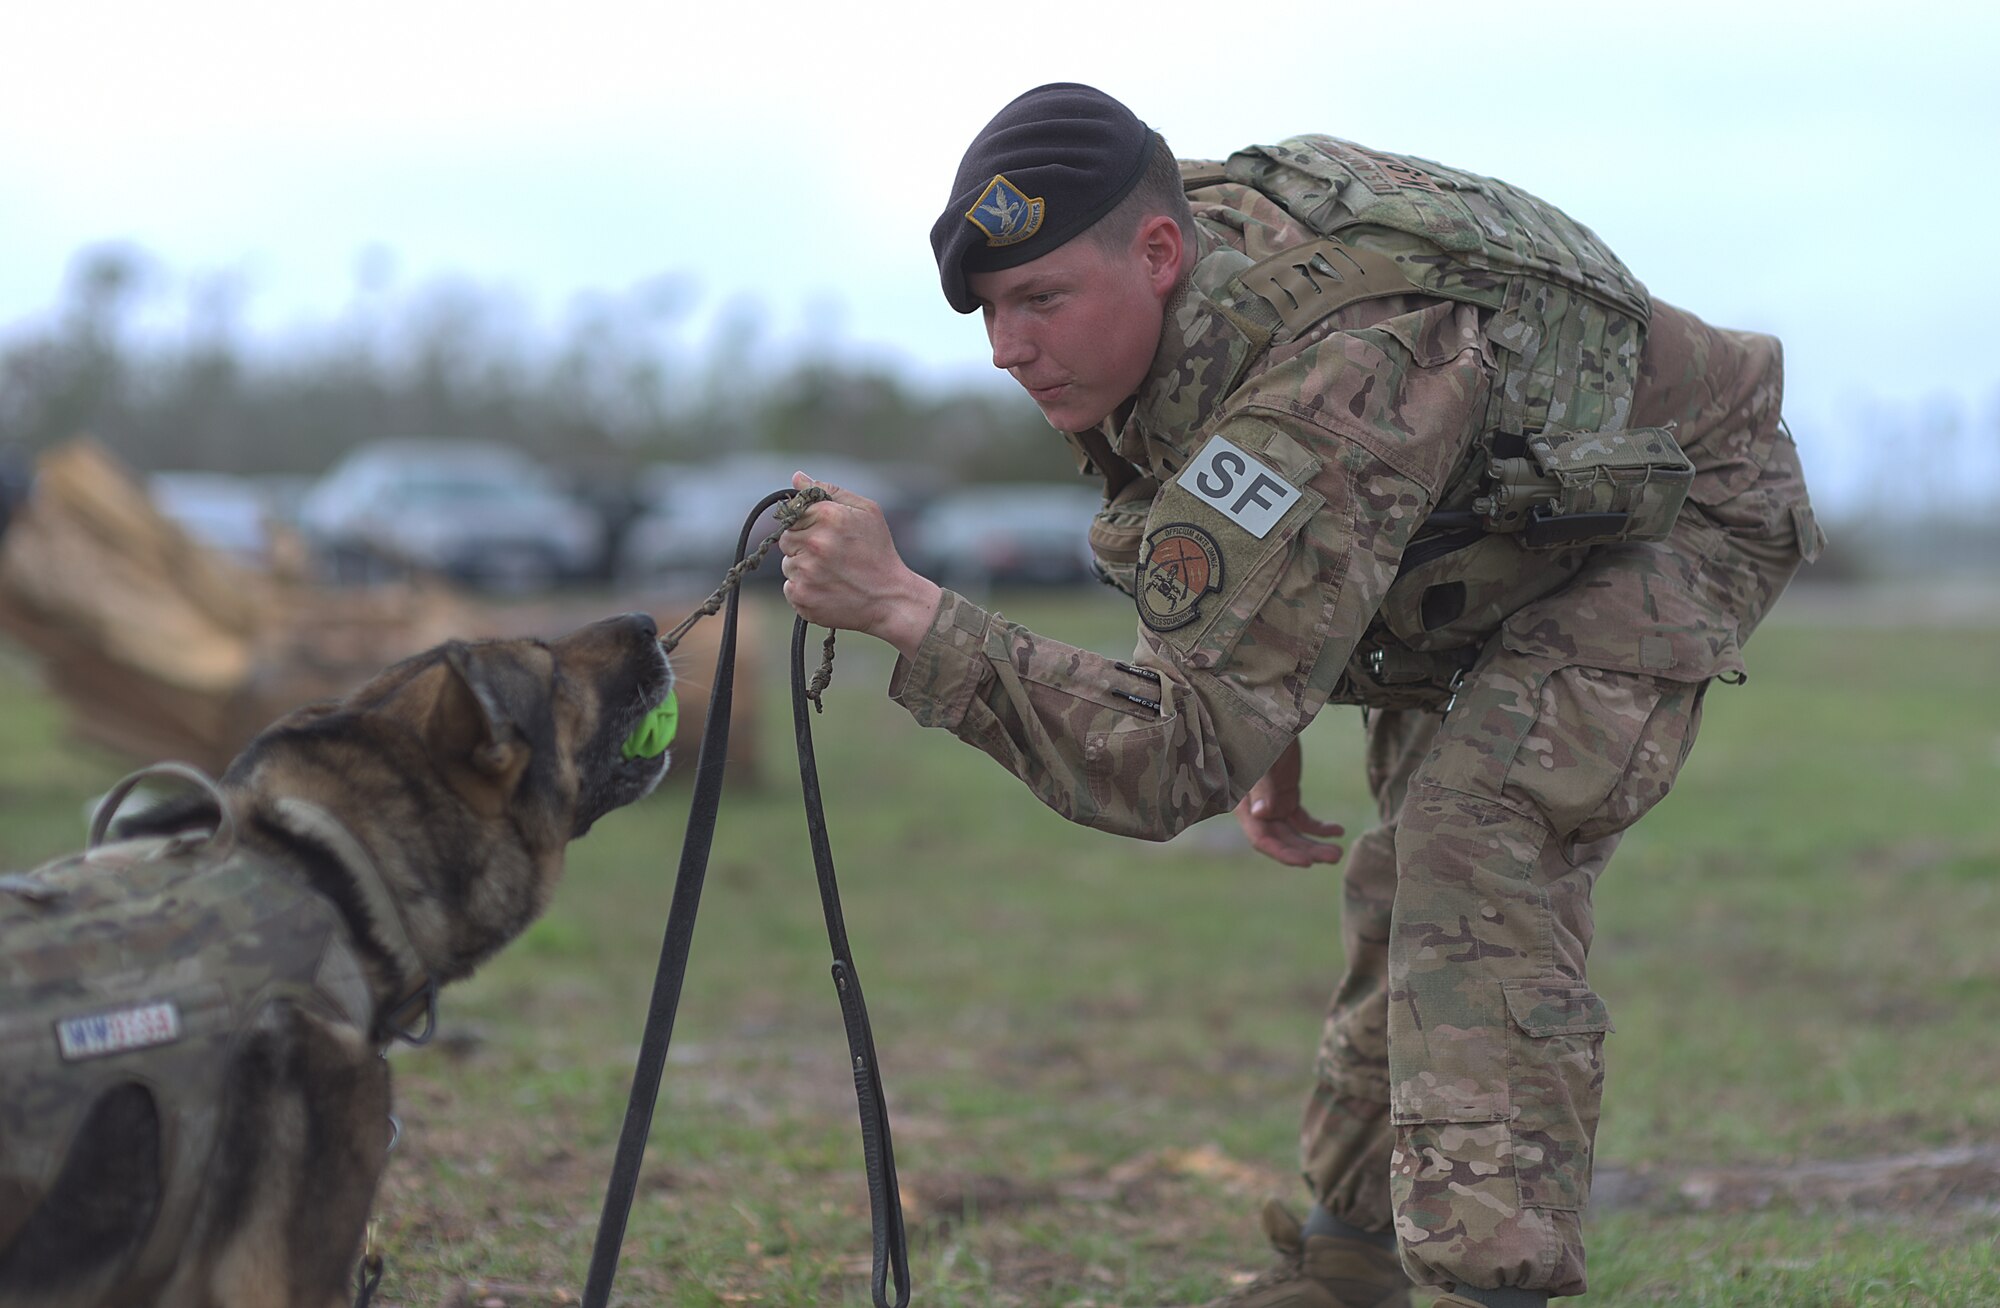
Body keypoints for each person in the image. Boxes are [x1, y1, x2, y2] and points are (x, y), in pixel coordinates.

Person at [778, 82, 1822, 1307]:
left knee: (1471, 843)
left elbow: (1169, 762)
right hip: (1476, 526)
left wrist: (911, 609)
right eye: (992, 310)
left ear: (1158, 253)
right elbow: (1212, 526)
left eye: (1040, 299)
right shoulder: (1188, 282)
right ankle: (1346, 1260)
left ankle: (1494, 1284)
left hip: (1671, 512)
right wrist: (1263, 706)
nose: (1008, 350)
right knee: (1403, 875)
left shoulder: (1335, 380)